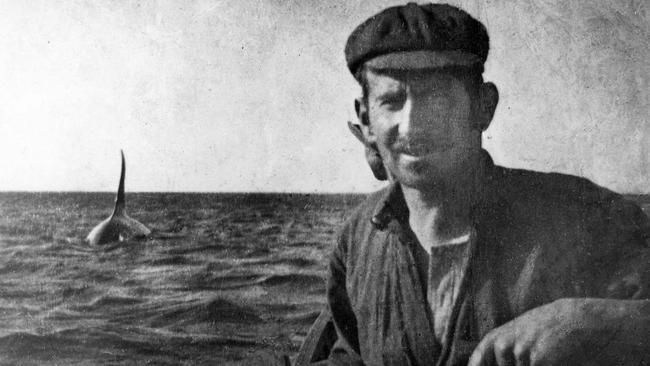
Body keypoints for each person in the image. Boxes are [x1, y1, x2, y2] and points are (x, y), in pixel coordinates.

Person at [326, 3, 649, 366]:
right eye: (392, 101)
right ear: (366, 120)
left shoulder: (585, 216)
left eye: (437, 98)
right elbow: (348, 357)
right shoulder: (356, 242)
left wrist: (597, 324)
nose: (413, 123)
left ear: (484, 106)